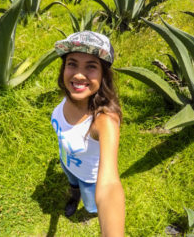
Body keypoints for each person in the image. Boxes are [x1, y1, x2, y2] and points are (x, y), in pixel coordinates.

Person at [51, 31, 125, 236]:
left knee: (91, 202)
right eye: (72, 63)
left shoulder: (104, 120)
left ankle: (90, 211)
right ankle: (74, 197)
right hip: (68, 163)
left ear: (104, 75)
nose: (78, 74)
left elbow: (109, 184)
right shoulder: (70, 96)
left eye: (91, 66)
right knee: (72, 183)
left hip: (90, 178)